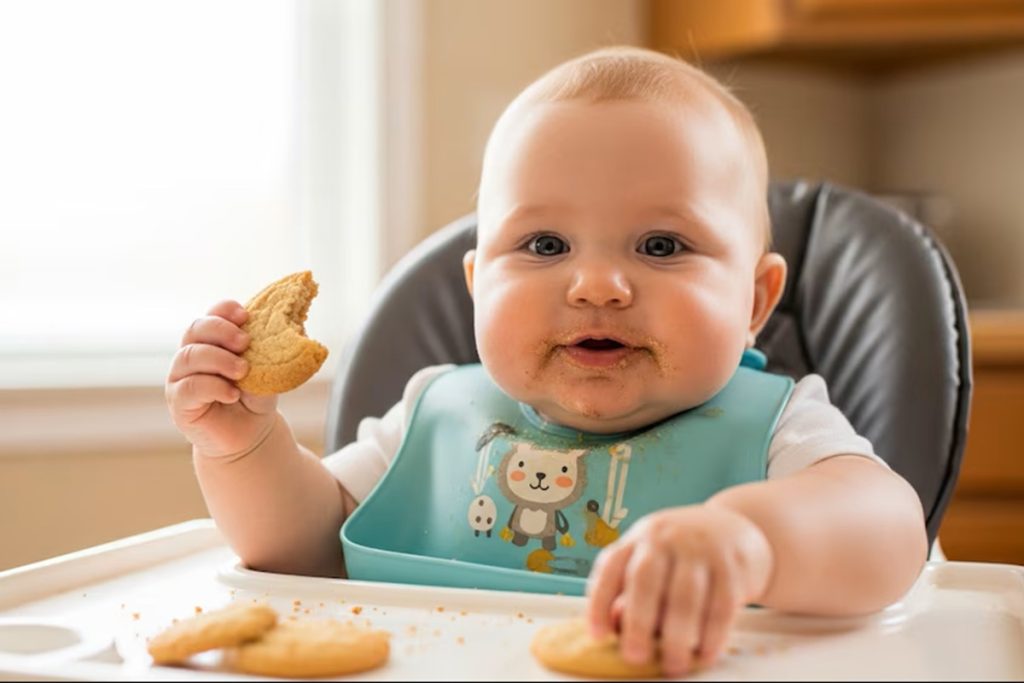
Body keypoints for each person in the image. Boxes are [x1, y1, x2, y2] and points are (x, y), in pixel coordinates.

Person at [165, 47, 927, 676]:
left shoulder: (776, 431)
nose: (597, 284)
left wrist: (753, 540)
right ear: (476, 286)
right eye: (545, 245)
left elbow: (892, 532)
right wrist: (244, 445)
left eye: (662, 246)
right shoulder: (436, 416)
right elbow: (307, 546)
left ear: (755, 301)